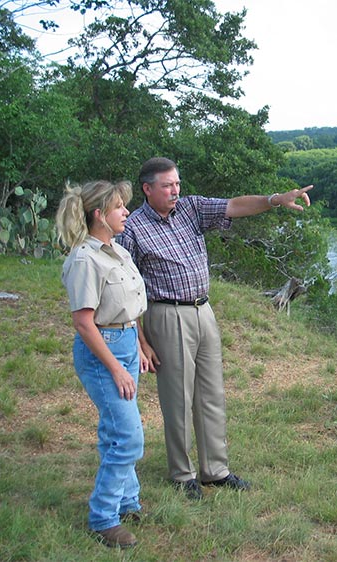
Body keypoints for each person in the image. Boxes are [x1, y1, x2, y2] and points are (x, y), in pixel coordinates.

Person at [119, 157, 313, 499]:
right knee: (178, 398)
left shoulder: (191, 208)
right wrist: (139, 339)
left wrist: (275, 199)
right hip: (167, 315)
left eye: (177, 183)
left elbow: (234, 206)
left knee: (212, 394)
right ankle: (182, 475)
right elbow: (125, 288)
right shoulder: (132, 229)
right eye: (167, 185)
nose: (175, 190)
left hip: (203, 310)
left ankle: (215, 471)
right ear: (147, 189)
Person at [56, 180, 148, 548]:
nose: (126, 212)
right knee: (128, 438)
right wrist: (115, 367)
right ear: (99, 215)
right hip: (102, 352)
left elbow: (130, 306)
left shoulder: (117, 251)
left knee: (115, 430)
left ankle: (127, 501)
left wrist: (138, 345)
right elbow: (83, 322)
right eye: (119, 207)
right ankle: (103, 517)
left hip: (124, 342)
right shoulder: (84, 259)